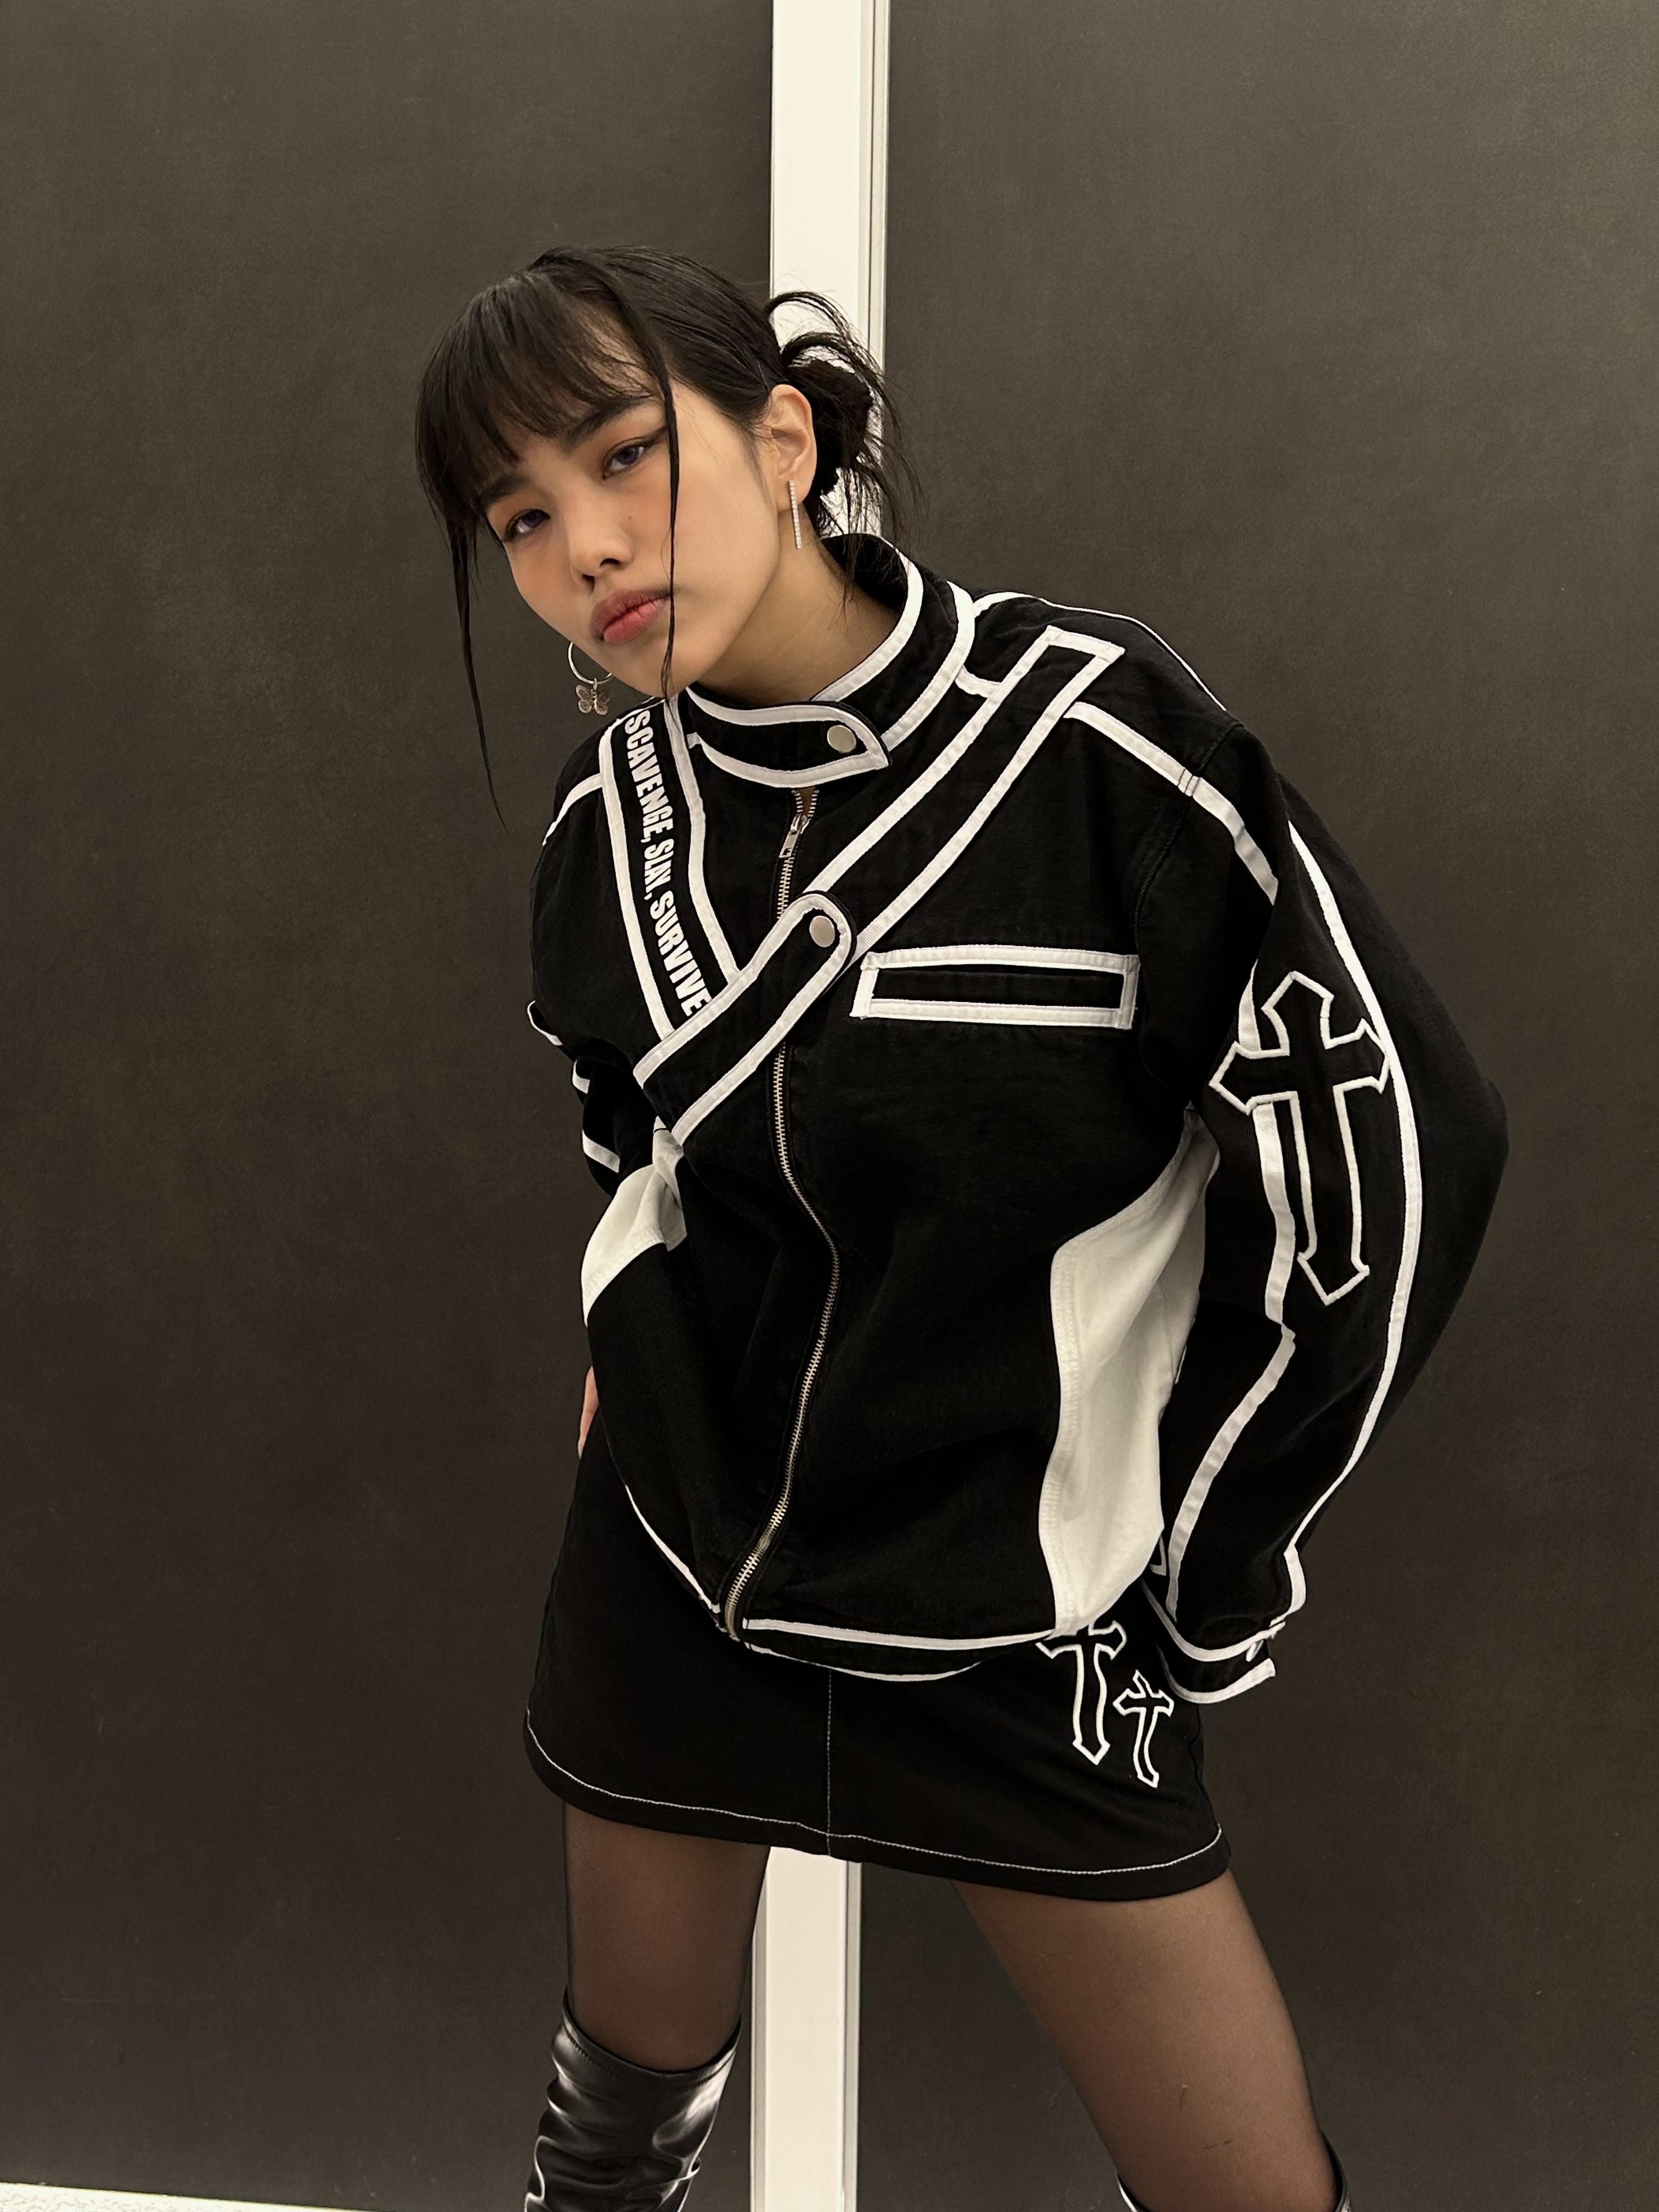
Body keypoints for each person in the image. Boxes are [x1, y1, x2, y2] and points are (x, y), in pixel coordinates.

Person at [413, 245, 1506, 2212]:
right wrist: (622, 1340)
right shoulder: (605, 822)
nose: (586, 547)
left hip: (1024, 1582)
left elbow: (1396, 1149)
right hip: (681, 1558)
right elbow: (624, 1121)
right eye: (521, 518)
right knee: (611, 2139)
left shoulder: (1102, 748)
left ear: (782, 440)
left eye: (625, 455)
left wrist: (1213, 1561)